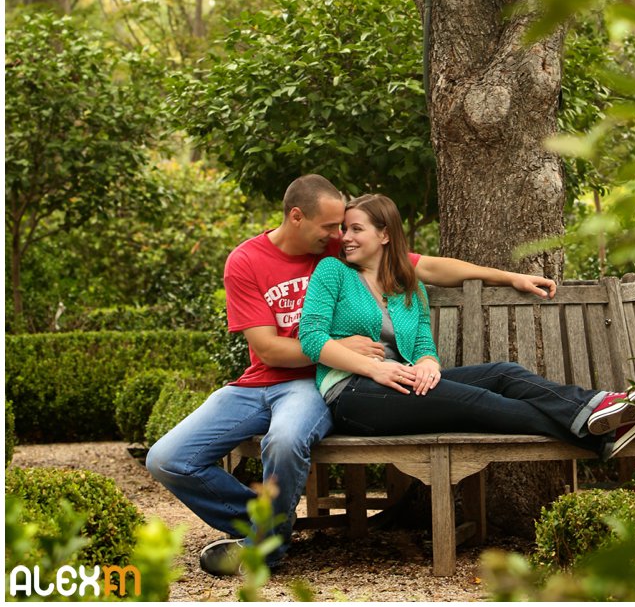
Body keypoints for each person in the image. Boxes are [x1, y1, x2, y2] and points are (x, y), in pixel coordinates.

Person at [145, 173, 559, 578]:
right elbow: (268, 348)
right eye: (329, 226)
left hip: (314, 384)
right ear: (295, 217)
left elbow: (429, 267)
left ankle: (265, 547)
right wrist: (344, 349)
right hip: (256, 383)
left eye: (343, 226)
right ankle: (267, 531)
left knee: (286, 441)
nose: (338, 235)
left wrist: (509, 277)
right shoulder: (247, 260)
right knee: (167, 459)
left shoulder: (338, 254)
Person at [299, 192, 635, 455]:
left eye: (356, 229)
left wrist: (428, 365)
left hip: (402, 385)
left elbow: (422, 345)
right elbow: (311, 338)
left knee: (504, 373)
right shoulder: (333, 272)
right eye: (344, 229)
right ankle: (599, 431)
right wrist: (374, 369)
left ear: (385, 235)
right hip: (351, 395)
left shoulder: (410, 287)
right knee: (481, 401)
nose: (344, 237)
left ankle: (599, 409)